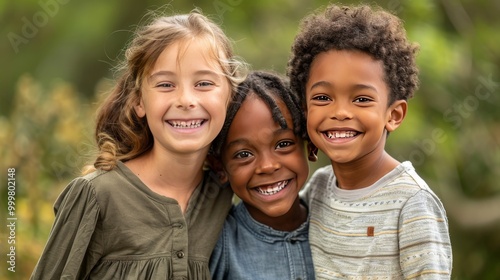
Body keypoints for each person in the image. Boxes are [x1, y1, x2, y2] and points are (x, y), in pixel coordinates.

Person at [31, 10, 246, 279]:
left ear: (230, 96)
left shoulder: (225, 193)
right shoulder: (97, 197)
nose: (186, 100)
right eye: (166, 84)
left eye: (204, 83)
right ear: (139, 101)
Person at [287, 4, 453, 279]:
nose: (340, 112)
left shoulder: (412, 203)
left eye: (361, 99)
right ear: (305, 110)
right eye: (322, 98)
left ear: (393, 115)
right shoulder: (317, 189)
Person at [208, 71, 315, 280]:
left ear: (308, 142)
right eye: (243, 154)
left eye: (283, 144)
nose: (267, 166)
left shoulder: (336, 222)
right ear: (220, 167)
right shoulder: (218, 245)